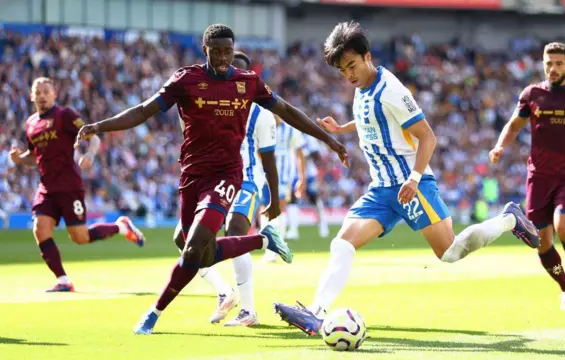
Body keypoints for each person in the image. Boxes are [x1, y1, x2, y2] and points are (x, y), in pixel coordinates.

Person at [75, 24, 348, 335]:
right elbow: (143, 111)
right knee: (197, 250)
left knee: (192, 248)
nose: (222, 57)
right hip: (191, 176)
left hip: (226, 175)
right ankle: (262, 240)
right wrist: (100, 126)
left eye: (227, 51)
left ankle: (153, 313)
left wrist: (329, 139)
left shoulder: (248, 82)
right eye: (216, 50)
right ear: (204, 50)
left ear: (233, 51)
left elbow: (287, 111)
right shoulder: (185, 80)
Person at [273, 21, 540, 336]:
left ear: (367, 56)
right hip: (382, 190)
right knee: (342, 243)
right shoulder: (362, 89)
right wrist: (341, 130)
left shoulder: (392, 90)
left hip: (411, 186)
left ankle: (509, 219)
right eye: (342, 70)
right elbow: (370, 120)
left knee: (450, 253)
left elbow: (427, 137)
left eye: (352, 65)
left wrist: (413, 179)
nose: (348, 74)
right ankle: (316, 315)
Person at [489, 42, 565, 310]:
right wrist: (499, 146)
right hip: (539, 177)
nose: (552, 68)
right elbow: (513, 125)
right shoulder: (532, 94)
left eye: (558, 63)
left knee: (564, 227)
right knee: (541, 243)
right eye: (548, 63)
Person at [172, 51, 281, 326]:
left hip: (246, 181)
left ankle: (249, 311)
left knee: (235, 230)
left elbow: (269, 158)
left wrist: (275, 198)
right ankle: (224, 292)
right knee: (184, 240)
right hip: (212, 179)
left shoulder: (262, 115)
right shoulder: (210, 104)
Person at [9, 77, 145, 293]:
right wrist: (19, 159)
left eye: (46, 91)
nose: (42, 95)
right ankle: (63, 279)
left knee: (80, 238)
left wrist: (90, 154)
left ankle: (121, 226)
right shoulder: (31, 124)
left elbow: (93, 138)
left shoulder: (65, 115)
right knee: (40, 229)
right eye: (38, 92)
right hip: (46, 188)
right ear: (31, 96)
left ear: (54, 94)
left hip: (69, 186)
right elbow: (34, 157)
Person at [262, 116, 307, 262]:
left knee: (278, 211)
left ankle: (275, 250)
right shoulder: (262, 127)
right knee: (265, 213)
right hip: (264, 178)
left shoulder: (291, 130)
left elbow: (301, 155)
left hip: (283, 178)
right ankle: (271, 249)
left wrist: (302, 178)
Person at [287, 135, 330, 240]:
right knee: (292, 200)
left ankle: (323, 225)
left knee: (315, 199)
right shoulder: (290, 132)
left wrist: (305, 154)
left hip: (309, 173)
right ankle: (293, 229)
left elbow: (316, 154)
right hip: (293, 173)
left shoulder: (308, 136)